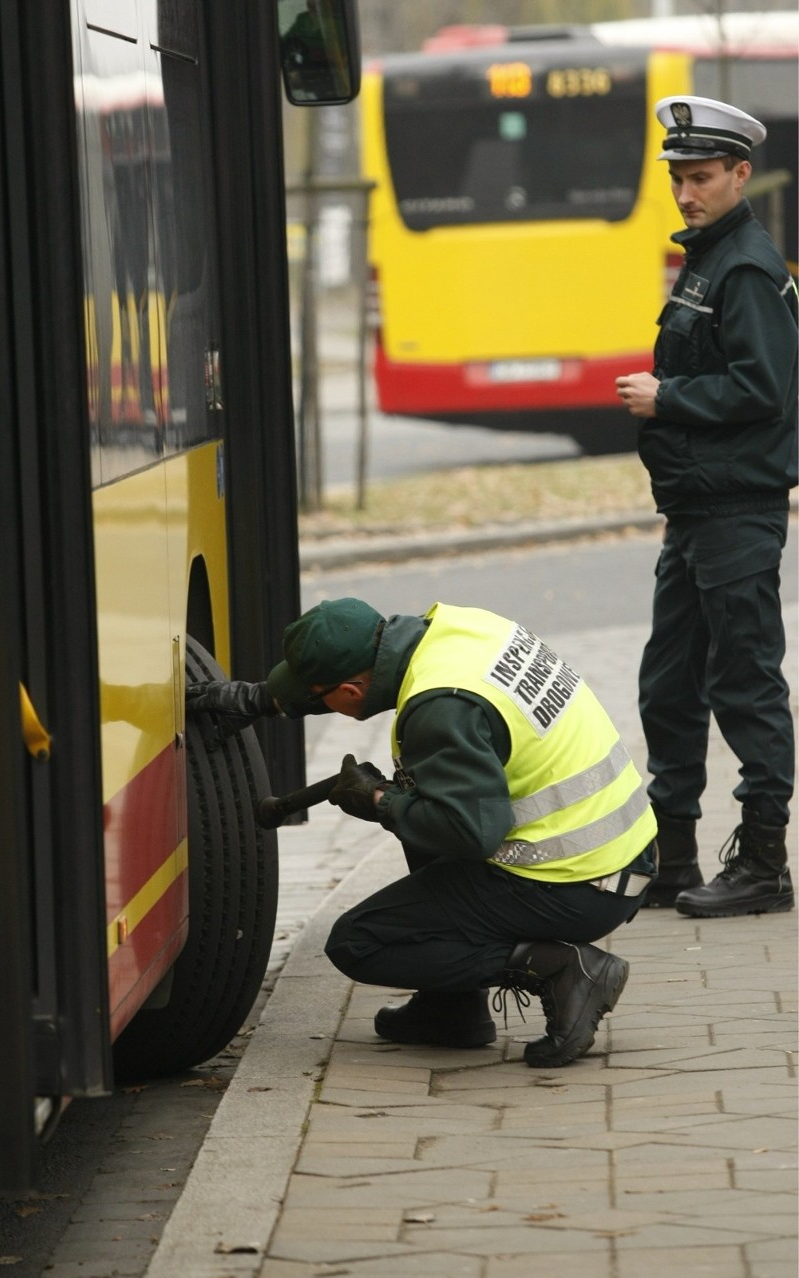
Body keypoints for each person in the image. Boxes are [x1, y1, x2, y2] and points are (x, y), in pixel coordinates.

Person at [187, 597, 658, 1067]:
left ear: (350, 692)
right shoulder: (460, 633)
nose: (315, 703)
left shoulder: (440, 707)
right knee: (422, 803)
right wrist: (258, 699)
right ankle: (450, 1010)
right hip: (622, 853)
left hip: (576, 883)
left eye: (318, 696)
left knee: (359, 941)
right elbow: (327, 682)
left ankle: (563, 969)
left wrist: (378, 800)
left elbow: (471, 833)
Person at [615, 96, 797, 917]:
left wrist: (667, 397)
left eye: (702, 179)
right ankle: (675, 855)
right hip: (695, 513)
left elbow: (763, 388)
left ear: (739, 175)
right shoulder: (706, 260)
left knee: (745, 685)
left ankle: (763, 863)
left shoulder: (748, 268)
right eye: (679, 180)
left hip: (737, 511)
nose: (687, 194)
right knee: (668, 685)